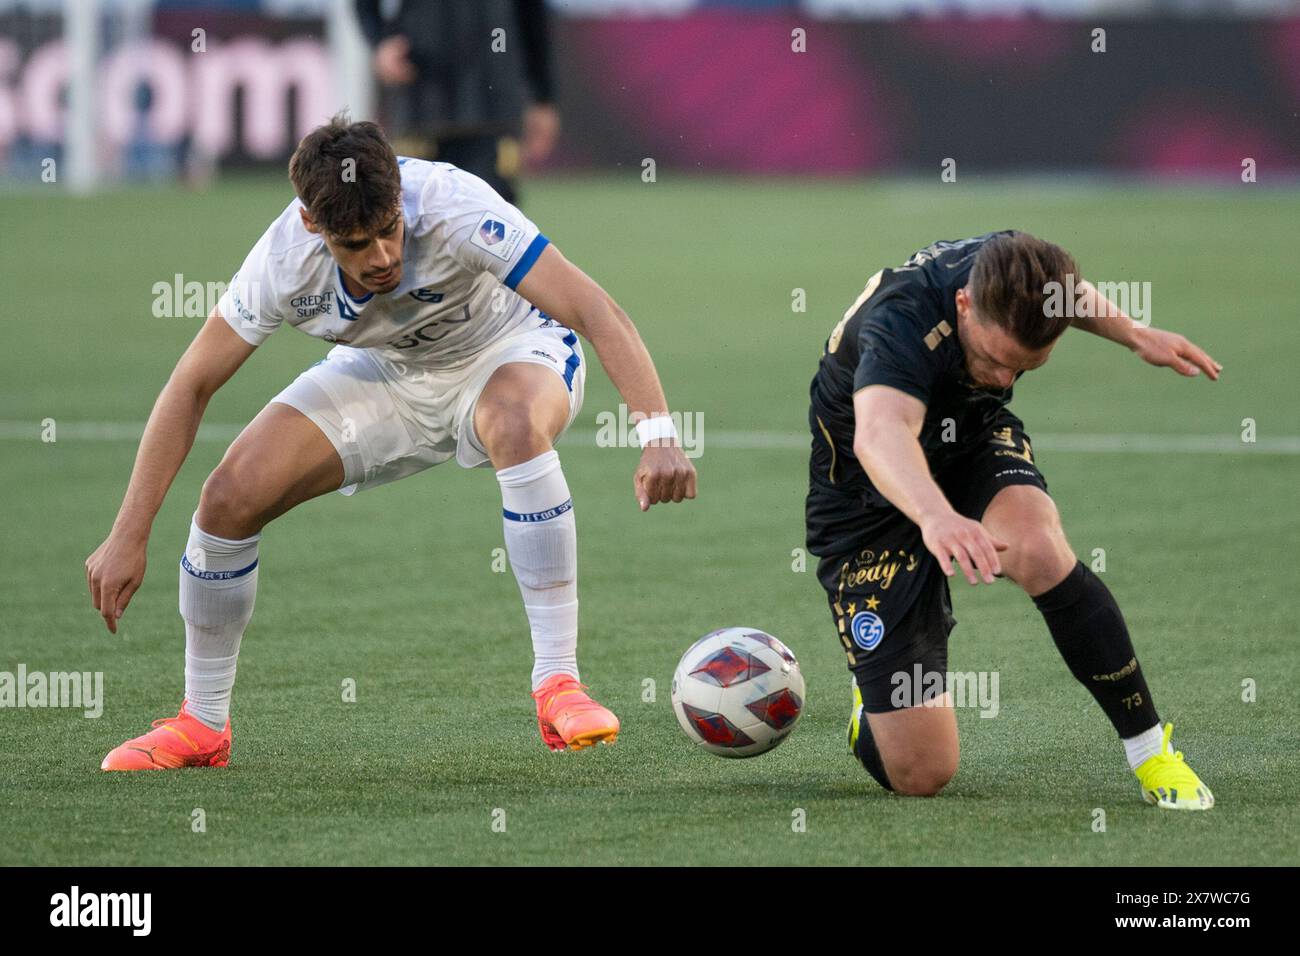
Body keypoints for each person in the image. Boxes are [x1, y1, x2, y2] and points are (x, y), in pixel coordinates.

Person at [87, 115, 695, 769]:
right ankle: (202, 724)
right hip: (386, 371)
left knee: (514, 423)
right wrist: (129, 531)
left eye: (389, 231)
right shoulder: (281, 264)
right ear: (313, 227)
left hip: (510, 350)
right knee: (230, 496)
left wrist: (657, 432)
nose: (380, 256)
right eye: (357, 244)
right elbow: (191, 385)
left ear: (400, 199)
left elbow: (593, 308)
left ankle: (559, 684)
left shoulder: (455, 206)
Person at [805, 232, 1219, 809]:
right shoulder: (899, 322)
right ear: (964, 305)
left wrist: (1134, 334)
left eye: (1025, 366)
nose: (1003, 380)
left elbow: (1068, 294)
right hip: (867, 489)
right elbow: (881, 436)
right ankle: (869, 703)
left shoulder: (1016, 271)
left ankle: (1151, 752)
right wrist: (936, 517)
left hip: (969, 439)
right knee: (922, 775)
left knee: (1039, 547)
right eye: (994, 359)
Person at [355, 0, 560, 205]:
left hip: (493, 102)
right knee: (417, 210)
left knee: (493, 210)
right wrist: (380, 42)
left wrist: (543, 98)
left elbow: (532, 11)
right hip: (422, 97)